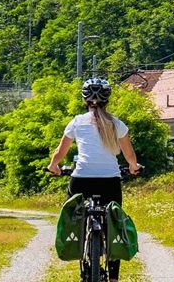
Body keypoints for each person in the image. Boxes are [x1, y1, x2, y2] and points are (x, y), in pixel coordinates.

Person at [48, 77, 143, 281]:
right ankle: (114, 277)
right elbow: (129, 154)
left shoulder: (76, 121)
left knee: (74, 214)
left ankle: (80, 242)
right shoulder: (116, 124)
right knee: (114, 223)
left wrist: (53, 166)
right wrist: (134, 168)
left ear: (85, 101)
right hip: (110, 180)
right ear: (107, 101)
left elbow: (60, 151)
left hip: (81, 179)